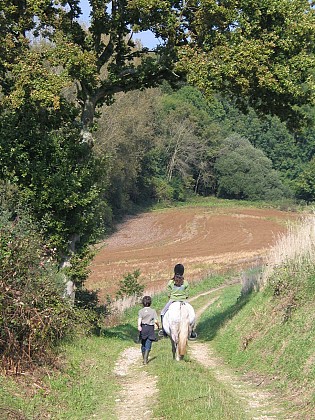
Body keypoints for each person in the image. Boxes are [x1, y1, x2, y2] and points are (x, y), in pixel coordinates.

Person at [158, 263, 197, 339]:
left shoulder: (171, 282)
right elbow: (187, 295)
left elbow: (169, 295)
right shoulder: (185, 283)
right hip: (183, 302)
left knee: (162, 312)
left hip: (172, 300)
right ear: (183, 272)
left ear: (174, 271)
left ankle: (163, 331)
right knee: (191, 313)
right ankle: (191, 332)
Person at [138, 295, 159, 365]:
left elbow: (139, 319)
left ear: (143, 303)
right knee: (149, 343)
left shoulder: (140, 311)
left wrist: (139, 326)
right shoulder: (153, 311)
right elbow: (156, 321)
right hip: (150, 328)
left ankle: (144, 357)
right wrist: (158, 326)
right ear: (150, 303)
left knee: (143, 343)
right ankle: (145, 360)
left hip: (143, 327)